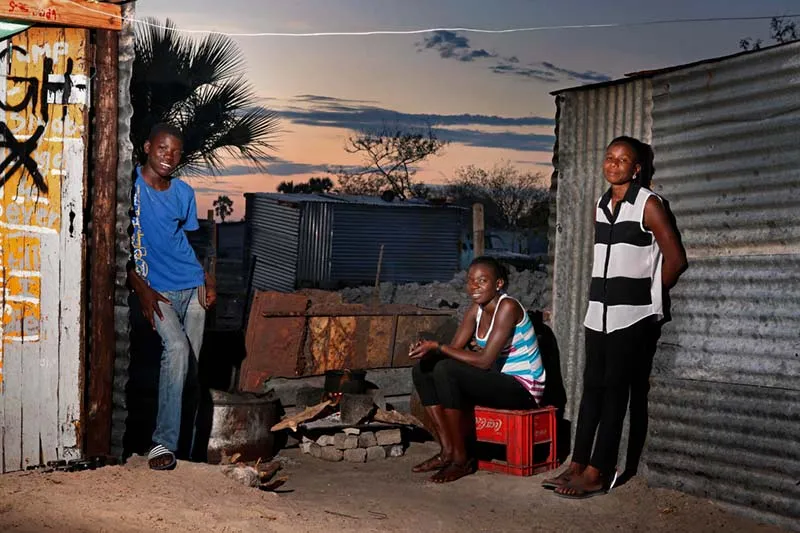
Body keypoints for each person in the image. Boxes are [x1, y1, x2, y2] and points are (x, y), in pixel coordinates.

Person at [543, 136, 687, 498]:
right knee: (591, 389)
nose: (614, 164)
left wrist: (648, 297)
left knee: (616, 394)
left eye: (623, 160)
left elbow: (676, 259)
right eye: (609, 158)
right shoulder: (601, 204)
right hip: (598, 315)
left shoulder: (648, 205)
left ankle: (598, 471)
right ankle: (577, 463)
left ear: (636, 168)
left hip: (632, 318)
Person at [127, 123, 217, 470]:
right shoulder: (130, 189)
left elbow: (193, 243)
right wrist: (142, 289)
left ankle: (188, 451)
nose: (169, 156)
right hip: (158, 291)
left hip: (191, 287)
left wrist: (208, 280)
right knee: (177, 350)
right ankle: (162, 444)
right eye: (163, 148)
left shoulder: (183, 192)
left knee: (190, 371)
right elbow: (123, 249)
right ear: (148, 147)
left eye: (176, 151)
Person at [409, 256, 546, 483]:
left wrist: (438, 347)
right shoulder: (476, 310)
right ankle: (448, 451)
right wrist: (429, 349)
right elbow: (452, 350)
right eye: (471, 281)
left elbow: (484, 361)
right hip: (498, 380)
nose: (474, 286)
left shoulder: (508, 307)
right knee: (424, 369)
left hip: (523, 389)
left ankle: (462, 460)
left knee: (446, 370)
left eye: (482, 281)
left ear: (498, 284)